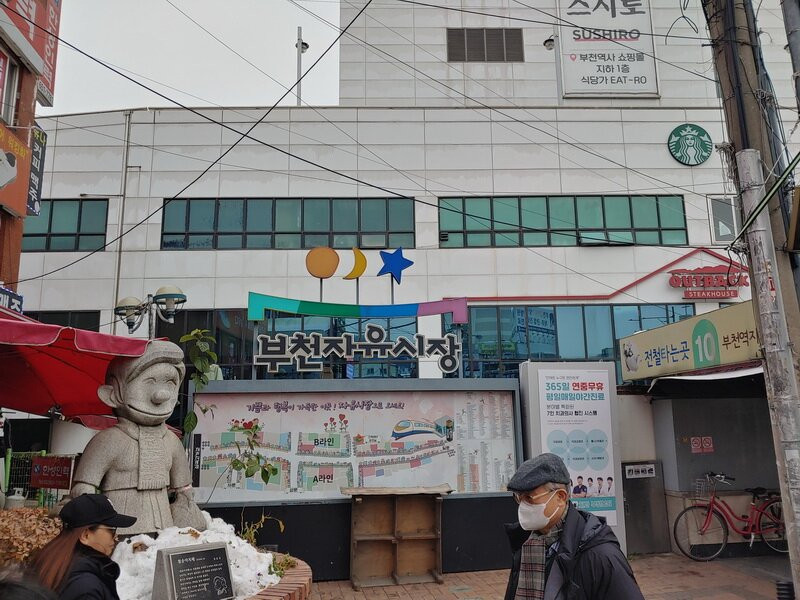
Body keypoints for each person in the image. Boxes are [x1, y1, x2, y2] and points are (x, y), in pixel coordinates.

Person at [504, 453, 644, 600]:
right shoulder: (528, 545)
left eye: (529, 498)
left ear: (560, 497)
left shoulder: (601, 556)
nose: (523, 506)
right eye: (519, 498)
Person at [31, 494, 136, 600]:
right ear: (85, 535)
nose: (115, 537)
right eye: (112, 530)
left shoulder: (55, 562)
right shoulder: (86, 588)